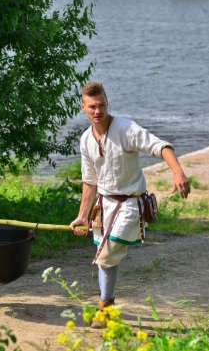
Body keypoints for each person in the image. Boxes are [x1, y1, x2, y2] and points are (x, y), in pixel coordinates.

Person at [69, 81, 190, 328]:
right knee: (106, 257)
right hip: (103, 207)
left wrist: (178, 172)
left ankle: (104, 307)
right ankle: (108, 305)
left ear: (107, 104)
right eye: (92, 106)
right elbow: (89, 182)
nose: (97, 111)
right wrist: (83, 215)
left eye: (101, 105)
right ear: (83, 107)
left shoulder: (125, 129)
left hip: (129, 204)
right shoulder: (85, 140)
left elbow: (161, 146)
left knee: (107, 251)